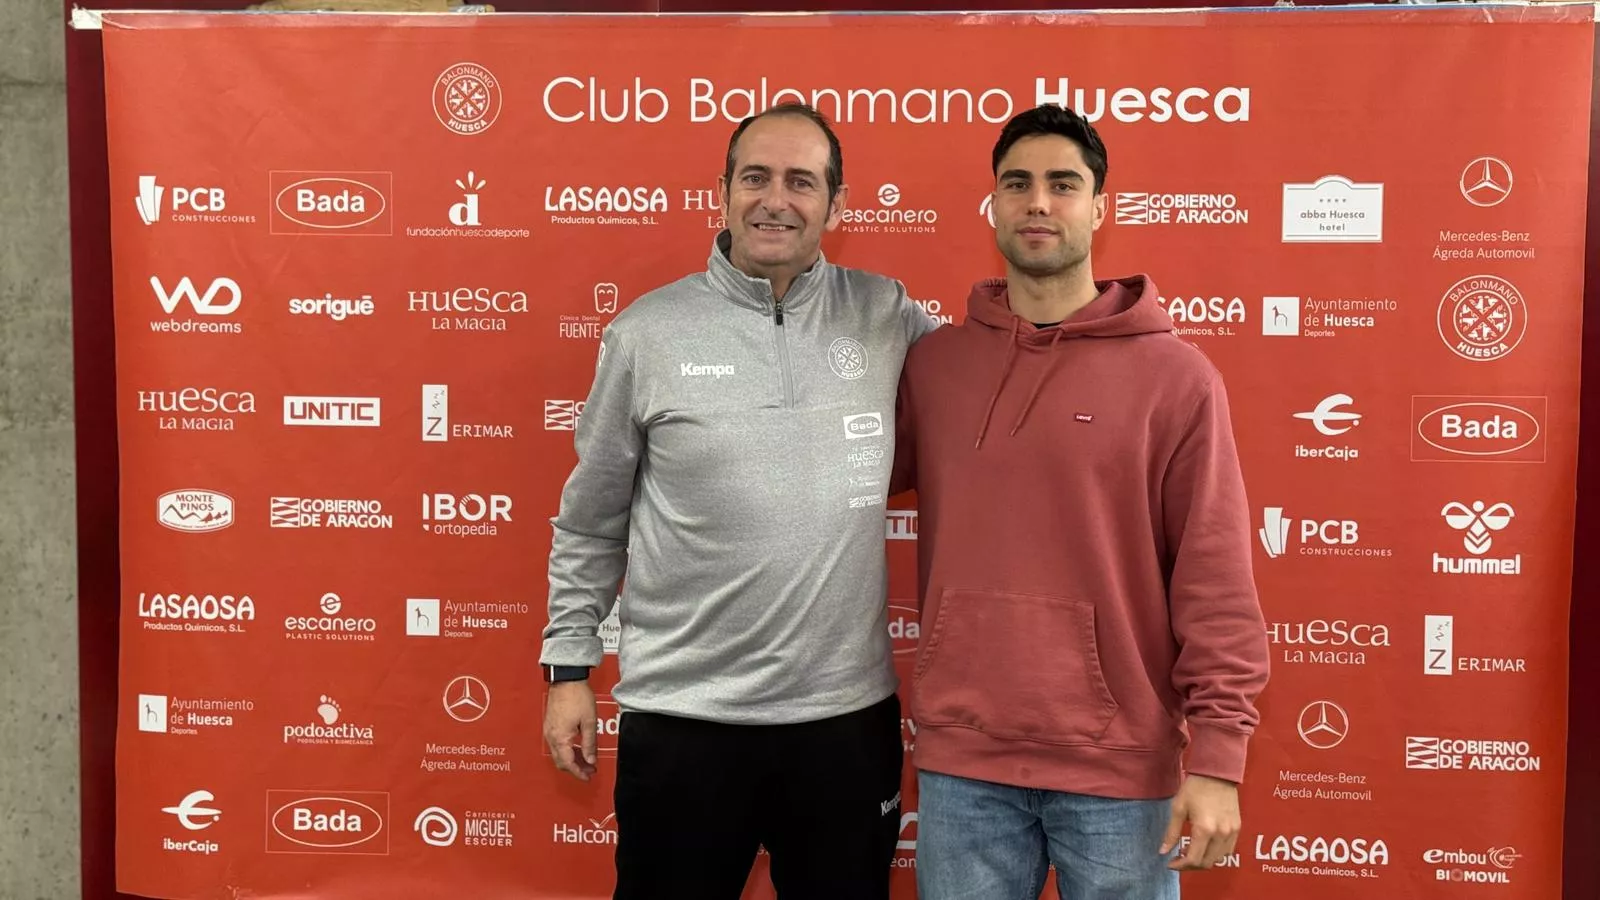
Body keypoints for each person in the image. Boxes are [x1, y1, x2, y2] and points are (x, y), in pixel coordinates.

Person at [539, 102, 941, 900]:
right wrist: (568, 667)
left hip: (844, 721)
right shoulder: (646, 334)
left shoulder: (887, 313)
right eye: (755, 177)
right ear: (721, 190)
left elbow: (986, 408)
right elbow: (591, 518)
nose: (775, 200)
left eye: (801, 181)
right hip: (685, 721)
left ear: (837, 203)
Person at [890, 104, 1270, 899]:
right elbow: (829, 487)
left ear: (1099, 207)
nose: (1038, 203)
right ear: (991, 204)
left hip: (1120, 772)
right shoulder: (933, 367)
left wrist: (1220, 756)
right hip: (964, 765)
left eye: (1063, 185)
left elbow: (1215, 575)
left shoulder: (1177, 379)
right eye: (1017, 184)